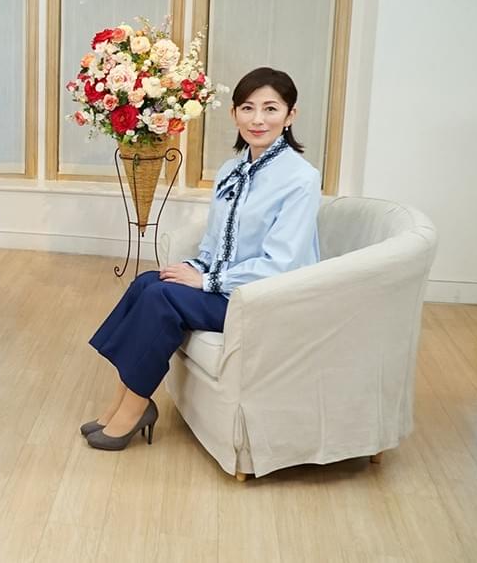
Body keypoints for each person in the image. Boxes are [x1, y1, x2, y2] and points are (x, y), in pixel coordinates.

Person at [81, 67, 320, 450]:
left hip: (264, 297)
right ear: (234, 114)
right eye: (248, 108)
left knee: (161, 298)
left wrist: (208, 281)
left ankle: (136, 407)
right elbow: (214, 244)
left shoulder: (300, 178)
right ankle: (122, 402)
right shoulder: (231, 170)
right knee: (148, 282)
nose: (258, 119)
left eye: (271, 109)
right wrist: (195, 268)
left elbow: (283, 263)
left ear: (290, 115)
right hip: (228, 289)